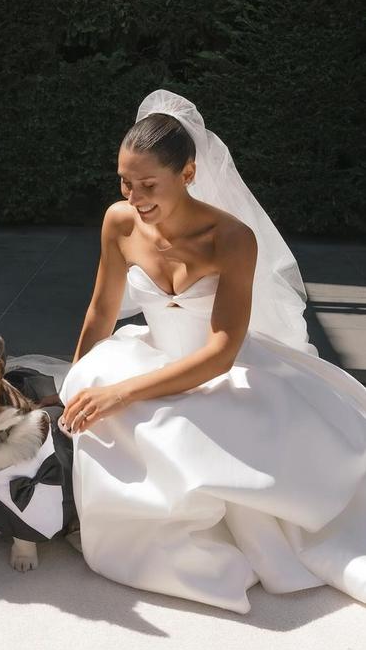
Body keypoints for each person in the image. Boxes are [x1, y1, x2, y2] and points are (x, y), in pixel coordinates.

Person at [56, 89, 366, 613]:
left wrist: (121, 394)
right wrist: (77, 380)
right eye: (125, 182)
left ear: (190, 173)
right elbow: (101, 313)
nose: (134, 196)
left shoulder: (233, 238)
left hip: (222, 368)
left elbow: (223, 351)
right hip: (148, 352)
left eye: (148, 185)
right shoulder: (119, 222)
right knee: (96, 401)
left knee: (183, 428)